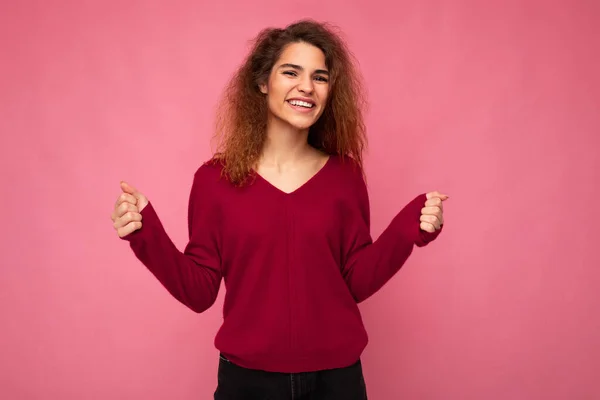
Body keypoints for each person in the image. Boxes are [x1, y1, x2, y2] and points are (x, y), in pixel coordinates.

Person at [110, 19, 447, 400]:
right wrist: (145, 234)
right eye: (291, 72)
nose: (307, 86)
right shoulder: (213, 180)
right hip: (246, 383)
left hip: (336, 382)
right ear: (262, 82)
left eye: (320, 77)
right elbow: (199, 290)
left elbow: (357, 280)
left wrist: (407, 230)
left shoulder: (345, 176)